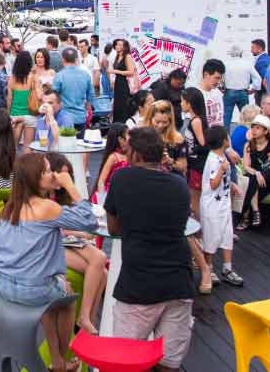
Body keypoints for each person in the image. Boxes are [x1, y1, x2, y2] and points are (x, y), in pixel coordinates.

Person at [0, 152, 98, 372]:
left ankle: (57, 360)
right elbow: (89, 222)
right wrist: (70, 185)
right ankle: (61, 360)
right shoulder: (45, 207)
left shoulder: (9, 207)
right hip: (33, 290)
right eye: (48, 171)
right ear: (35, 178)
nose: (54, 175)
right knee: (68, 300)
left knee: (56, 291)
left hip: (3, 285)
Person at [104, 128, 195, 371]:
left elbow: (113, 229)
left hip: (138, 284)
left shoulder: (122, 179)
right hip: (179, 282)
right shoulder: (179, 185)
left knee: (126, 361)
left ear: (134, 154)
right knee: (169, 363)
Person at [46, 153, 108, 336]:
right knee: (101, 263)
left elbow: (79, 220)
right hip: (51, 245)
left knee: (101, 267)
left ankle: (86, 318)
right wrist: (79, 233)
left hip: (66, 240)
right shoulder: (42, 200)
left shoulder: (59, 197)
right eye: (61, 176)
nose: (63, 182)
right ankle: (85, 319)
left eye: (67, 177)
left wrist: (79, 233)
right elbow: (59, 227)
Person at [200, 125, 243, 286]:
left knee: (226, 234)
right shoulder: (213, 160)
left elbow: (222, 180)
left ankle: (227, 268)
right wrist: (221, 171)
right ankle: (209, 268)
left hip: (224, 203)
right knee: (211, 236)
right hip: (212, 205)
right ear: (224, 140)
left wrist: (232, 184)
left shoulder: (221, 157)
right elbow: (212, 184)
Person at [237, 114, 270, 230]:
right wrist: (256, 173)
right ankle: (255, 212)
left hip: (267, 177)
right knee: (251, 179)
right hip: (254, 176)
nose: (254, 130)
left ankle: (246, 217)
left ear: (266, 131)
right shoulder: (248, 145)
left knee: (250, 182)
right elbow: (246, 166)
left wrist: (260, 173)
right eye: (253, 127)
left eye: (258, 128)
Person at [180, 88, 207, 216]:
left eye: (182, 101)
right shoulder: (194, 120)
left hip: (197, 165)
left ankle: (197, 232)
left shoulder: (196, 121)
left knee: (195, 201)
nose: (181, 104)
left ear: (189, 103)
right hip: (193, 164)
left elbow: (202, 144)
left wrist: (186, 150)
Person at [53, 47, 94, 132]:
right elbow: (90, 95)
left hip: (64, 118)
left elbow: (54, 96)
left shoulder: (59, 76)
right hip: (81, 117)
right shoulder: (85, 75)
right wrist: (87, 108)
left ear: (63, 59)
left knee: (65, 143)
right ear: (76, 59)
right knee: (80, 144)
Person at [223, 47, 261, 127]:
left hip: (229, 92)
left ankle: (225, 137)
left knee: (227, 117)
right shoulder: (247, 64)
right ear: (241, 54)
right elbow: (258, 78)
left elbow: (220, 78)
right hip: (243, 93)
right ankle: (247, 135)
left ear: (230, 54)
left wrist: (221, 88)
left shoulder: (225, 64)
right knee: (246, 117)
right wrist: (253, 89)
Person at [6, 50, 39, 147]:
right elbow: (38, 95)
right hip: (30, 115)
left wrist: (8, 112)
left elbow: (9, 98)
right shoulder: (33, 77)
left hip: (15, 114)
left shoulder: (12, 78)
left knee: (13, 146)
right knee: (28, 146)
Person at [146, 99, 186, 173]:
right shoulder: (142, 136)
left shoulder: (177, 138)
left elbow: (183, 167)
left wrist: (170, 161)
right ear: (150, 119)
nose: (160, 125)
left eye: (165, 122)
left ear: (170, 121)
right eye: (157, 122)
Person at [93, 124, 128, 197]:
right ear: (120, 139)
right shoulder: (113, 157)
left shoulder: (130, 154)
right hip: (111, 194)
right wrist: (102, 198)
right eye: (128, 134)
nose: (130, 137)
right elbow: (101, 181)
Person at [108, 39, 135, 125]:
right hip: (118, 83)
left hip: (124, 84)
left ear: (124, 47)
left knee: (123, 105)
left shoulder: (127, 56)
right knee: (117, 106)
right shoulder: (117, 56)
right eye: (116, 44)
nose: (117, 46)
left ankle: (124, 126)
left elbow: (131, 72)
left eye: (120, 45)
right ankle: (116, 126)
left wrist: (116, 71)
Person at [199, 59, 226, 127]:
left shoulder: (218, 93)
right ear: (206, 75)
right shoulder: (197, 94)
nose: (219, 82)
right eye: (216, 78)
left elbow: (220, 119)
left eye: (220, 78)